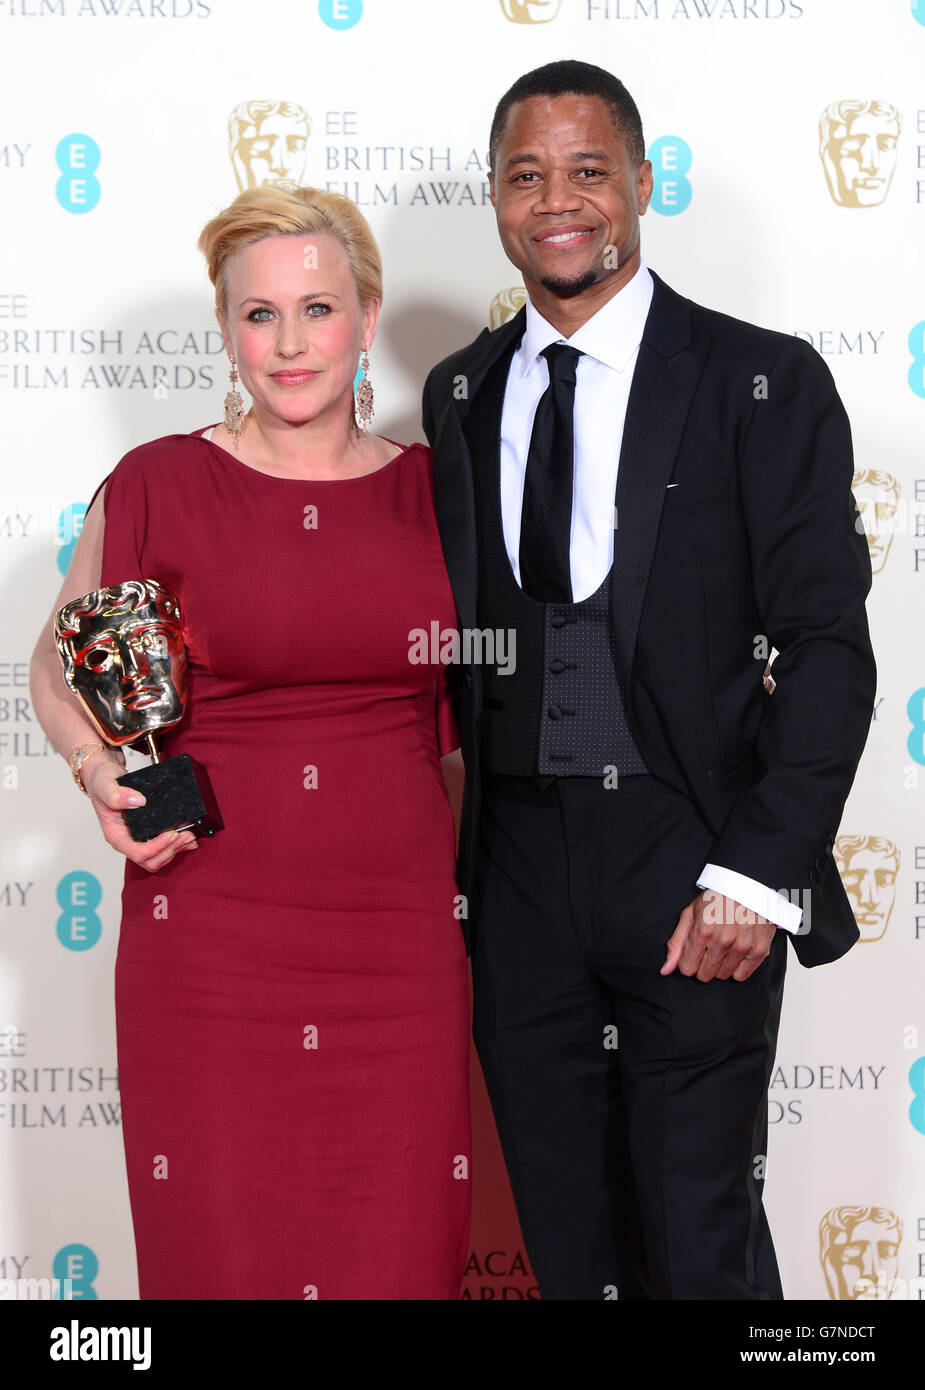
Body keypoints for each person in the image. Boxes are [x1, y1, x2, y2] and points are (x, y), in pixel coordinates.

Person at [422, 60, 876, 1300]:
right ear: (498, 201)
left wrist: (753, 875)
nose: (556, 201)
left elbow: (829, 648)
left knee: (697, 1237)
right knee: (571, 1246)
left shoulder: (756, 382)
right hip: (517, 876)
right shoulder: (459, 392)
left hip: (692, 864)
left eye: (585, 170)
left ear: (638, 182)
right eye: (526, 175)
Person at [31, 184, 470, 1300]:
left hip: (403, 948)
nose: (289, 343)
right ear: (226, 330)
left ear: (367, 318)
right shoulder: (160, 484)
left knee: (397, 1262)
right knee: (222, 1262)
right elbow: (56, 658)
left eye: (317, 309)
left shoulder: (438, 493)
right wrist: (96, 771)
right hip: (211, 941)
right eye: (259, 314)